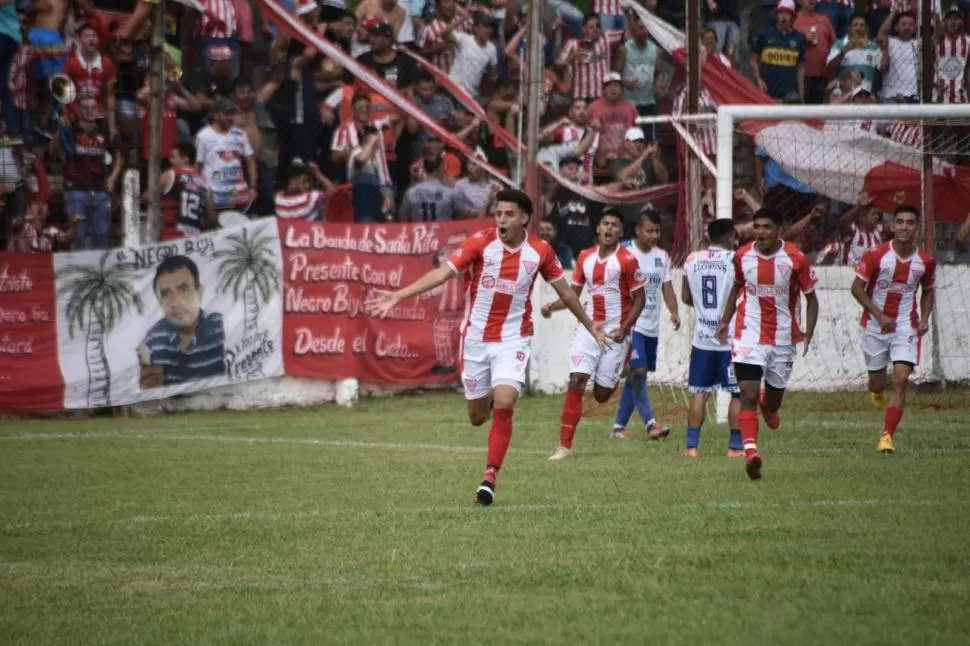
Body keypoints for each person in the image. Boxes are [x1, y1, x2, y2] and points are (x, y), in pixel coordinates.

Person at [364, 189, 607, 506]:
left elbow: (568, 293)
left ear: (523, 218)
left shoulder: (541, 252)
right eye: (498, 214)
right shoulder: (480, 242)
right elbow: (442, 273)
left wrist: (590, 326)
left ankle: (489, 478)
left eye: (508, 214)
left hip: (513, 338)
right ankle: (490, 394)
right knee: (478, 417)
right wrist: (400, 295)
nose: (502, 220)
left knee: (505, 403)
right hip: (475, 340)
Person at [715, 207, 819, 481]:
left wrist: (808, 332)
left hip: (783, 338)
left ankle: (768, 404)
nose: (760, 232)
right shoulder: (742, 256)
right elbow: (736, 287)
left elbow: (811, 298)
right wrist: (725, 320)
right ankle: (750, 453)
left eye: (767, 227)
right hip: (748, 333)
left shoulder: (795, 258)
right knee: (746, 395)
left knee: (772, 403)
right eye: (757, 226)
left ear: (779, 230)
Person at [542, 209, 645, 460]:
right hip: (589, 329)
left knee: (600, 396)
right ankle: (564, 446)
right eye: (605, 223)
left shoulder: (628, 259)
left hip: (615, 334)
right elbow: (572, 295)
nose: (609, 229)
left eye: (614, 225)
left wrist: (625, 328)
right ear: (598, 229)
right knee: (577, 380)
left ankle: (621, 365)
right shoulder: (585, 257)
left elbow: (640, 299)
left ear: (620, 232)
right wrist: (551, 307)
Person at [850, 205, 935, 453]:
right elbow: (856, 288)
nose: (904, 227)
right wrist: (879, 314)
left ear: (916, 227)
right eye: (900, 222)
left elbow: (928, 291)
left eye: (910, 223)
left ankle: (887, 436)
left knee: (900, 379)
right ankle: (875, 392)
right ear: (892, 225)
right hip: (874, 327)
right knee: (877, 383)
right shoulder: (875, 254)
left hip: (905, 328)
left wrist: (924, 318)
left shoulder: (925, 261)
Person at [612, 209, 681, 440]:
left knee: (637, 376)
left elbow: (667, 286)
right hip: (632, 323)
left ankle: (618, 427)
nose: (653, 235)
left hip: (651, 325)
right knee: (638, 371)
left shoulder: (661, 257)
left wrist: (674, 311)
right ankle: (651, 425)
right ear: (638, 230)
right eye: (649, 231)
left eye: (657, 231)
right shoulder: (623, 253)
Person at [681, 218, 743, 458]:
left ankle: (691, 447)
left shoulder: (692, 260)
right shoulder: (736, 261)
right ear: (731, 237)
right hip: (730, 339)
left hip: (702, 339)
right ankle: (734, 448)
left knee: (700, 392)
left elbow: (686, 297)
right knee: (737, 393)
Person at [138, 255, 227, 389]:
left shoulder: (220, 327)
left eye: (184, 290)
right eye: (165, 294)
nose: (175, 302)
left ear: (200, 293)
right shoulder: (153, 338)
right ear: (159, 302)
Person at [195, 97, 258, 214]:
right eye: (227, 114)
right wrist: (199, 192)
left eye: (232, 114)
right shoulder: (204, 136)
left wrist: (253, 187)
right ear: (216, 115)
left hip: (238, 195)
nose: (230, 117)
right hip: (214, 198)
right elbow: (198, 166)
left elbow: (250, 161)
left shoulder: (240, 134)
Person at [159, 143, 216, 240]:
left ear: (186, 158)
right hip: (194, 240)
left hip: (170, 237)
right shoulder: (205, 183)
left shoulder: (169, 174)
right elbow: (212, 217)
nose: (170, 160)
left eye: (173, 157)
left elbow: (148, 196)